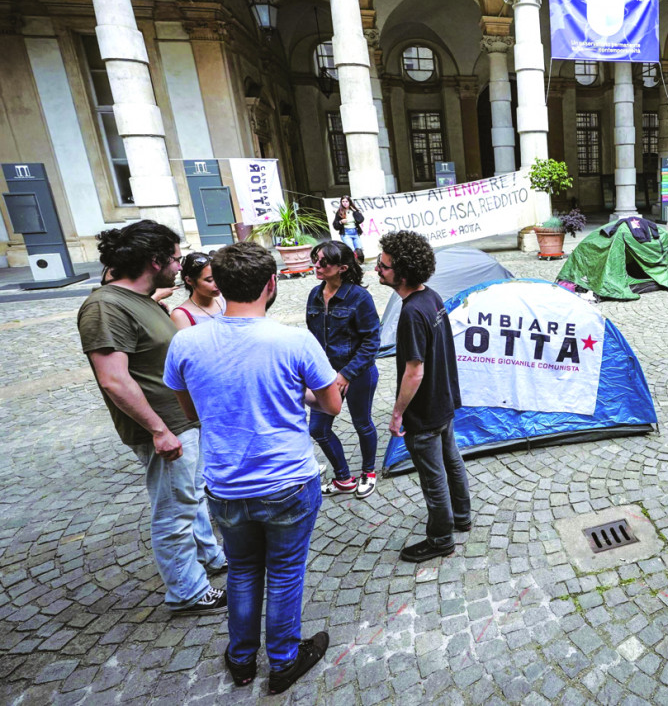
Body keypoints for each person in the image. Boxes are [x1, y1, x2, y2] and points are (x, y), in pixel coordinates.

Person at [164, 242, 340, 694]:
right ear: (271, 284)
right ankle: (283, 659)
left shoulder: (186, 341)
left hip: (225, 483)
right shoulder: (294, 341)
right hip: (287, 479)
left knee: (242, 570)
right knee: (284, 572)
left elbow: (192, 409)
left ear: (218, 284)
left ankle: (241, 658)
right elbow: (331, 404)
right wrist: (293, 394)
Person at [77, 220, 227, 616]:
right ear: (154, 260)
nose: (180, 268)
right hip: (164, 428)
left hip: (182, 421)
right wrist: (159, 430)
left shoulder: (141, 297)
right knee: (173, 511)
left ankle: (209, 558)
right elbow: (113, 379)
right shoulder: (105, 306)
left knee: (192, 499)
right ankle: (187, 592)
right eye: (175, 259)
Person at [376, 231, 471, 563]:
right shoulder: (430, 296)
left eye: (384, 266)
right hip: (443, 402)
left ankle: (441, 538)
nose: (377, 269)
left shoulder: (412, 313)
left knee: (434, 478)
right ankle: (462, 517)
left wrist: (397, 413)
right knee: (452, 461)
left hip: (425, 411)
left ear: (401, 272)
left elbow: (414, 371)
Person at [306, 240, 381, 499]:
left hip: (359, 373)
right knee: (318, 428)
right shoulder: (314, 295)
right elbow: (313, 338)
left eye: (323, 262)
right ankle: (343, 478)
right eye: (315, 259)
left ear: (342, 267)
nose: (316, 265)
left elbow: (372, 340)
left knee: (362, 424)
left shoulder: (359, 297)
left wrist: (347, 373)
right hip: (325, 375)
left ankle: (368, 473)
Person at [171, 252, 226, 330]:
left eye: (218, 277)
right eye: (209, 280)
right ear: (189, 280)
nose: (217, 284)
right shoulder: (181, 315)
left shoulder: (225, 299)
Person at [331, 196, 364, 262]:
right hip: (346, 233)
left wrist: (355, 211)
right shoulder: (339, 212)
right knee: (351, 250)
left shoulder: (354, 211)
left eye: (346, 201)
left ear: (349, 202)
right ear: (341, 203)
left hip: (355, 232)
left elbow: (361, 219)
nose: (345, 203)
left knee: (359, 250)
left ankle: (359, 262)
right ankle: (353, 264)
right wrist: (341, 222)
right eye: (343, 201)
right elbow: (335, 225)